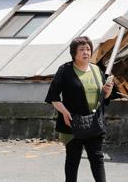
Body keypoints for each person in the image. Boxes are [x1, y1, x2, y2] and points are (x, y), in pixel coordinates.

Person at [45, 36, 115, 182]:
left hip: (94, 123)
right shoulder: (65, 70)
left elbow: (103, 98)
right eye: (81, 49)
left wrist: (107, 91)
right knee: (73, 160)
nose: (86, 52)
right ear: (73, 53)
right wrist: (64, 112)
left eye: (88, 49)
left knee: (97, 158)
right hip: (72, 123)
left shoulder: (96, 69)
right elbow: (53, 96)